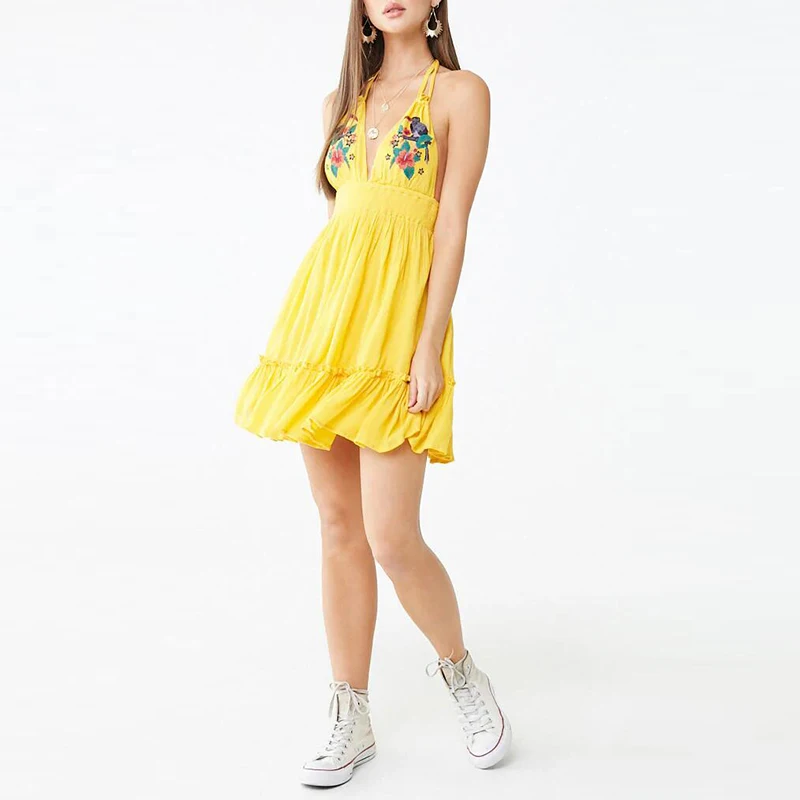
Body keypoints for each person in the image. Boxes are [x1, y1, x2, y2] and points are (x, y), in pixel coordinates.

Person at [234, 0, 511, 786]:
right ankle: (349, 713)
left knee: (392, 536)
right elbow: (342, 225)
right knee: (337, 526)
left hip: (399, 330)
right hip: (324, 328)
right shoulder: (339, 103)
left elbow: (450, 226)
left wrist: (429, 342)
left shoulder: (461, 93)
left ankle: (460, 672)